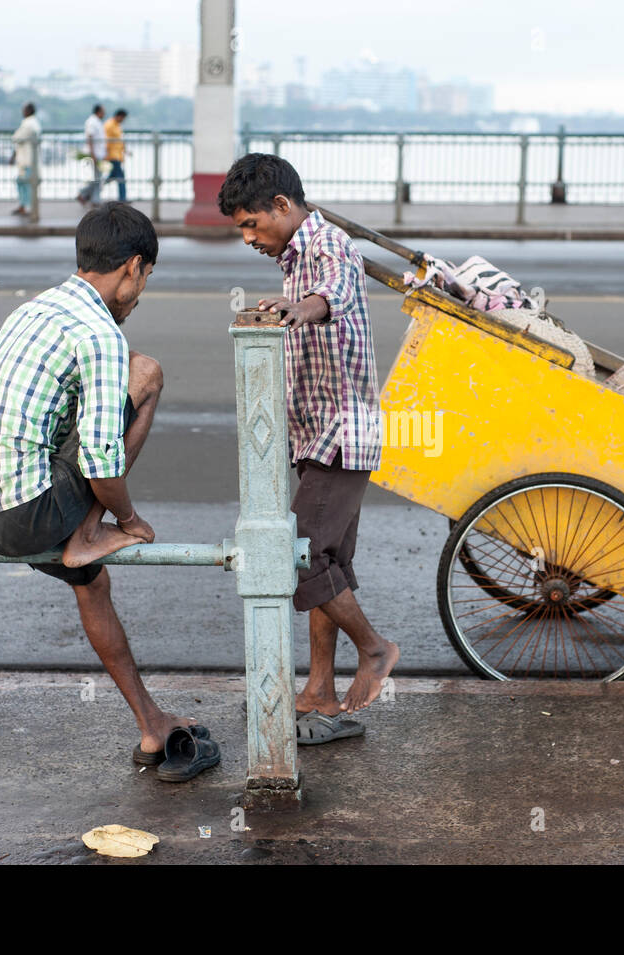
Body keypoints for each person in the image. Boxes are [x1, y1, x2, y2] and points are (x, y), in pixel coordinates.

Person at [0, 202, 218, 782]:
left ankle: (151, 724)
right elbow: (103, 458)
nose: (140, 294)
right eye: (145, 279)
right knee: (147, 371)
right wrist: (127, 520)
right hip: (32, 512)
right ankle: (86, 533)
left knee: (92, 586)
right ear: (133, 267)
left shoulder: (38, 309)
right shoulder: (98, 332)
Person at [218, 154, 399, 745]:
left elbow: (334, 294)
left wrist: (300, 308)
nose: (248, 238)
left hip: (341, 435)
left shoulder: (330, 247)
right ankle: (319, 688)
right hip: (316, 433)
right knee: (328, 564)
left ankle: (373, 649)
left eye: (251, 224)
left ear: (281, 206)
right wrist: (286, 302)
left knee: (299, 557)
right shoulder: (295, 254)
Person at [9, 101, 41, 217]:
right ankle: (24, 206)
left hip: (27, 160)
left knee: (25, 183)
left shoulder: (28, 124)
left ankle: (26, 207)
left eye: (24, 109)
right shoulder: (34, 123)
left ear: (28, 111)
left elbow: (16, 137)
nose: (22, 111)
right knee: (24, 182)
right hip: (28, 159)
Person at [76, 104, 105, 208]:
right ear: (98, 111)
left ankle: (86, 196)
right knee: (96, 178)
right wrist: (93, 154)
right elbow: (90, 138)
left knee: (96, 178)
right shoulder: (92, 122)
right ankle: (93, 199)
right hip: (93, 154)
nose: (104, 114)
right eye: (103, 111)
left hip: (97, 154)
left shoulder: (96, 121)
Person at [103, 108, 127, 203]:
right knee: (120, 177)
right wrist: (105, 154)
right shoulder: (109, 125)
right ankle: (123, 198)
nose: (123, 120)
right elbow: (106, 141)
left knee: (112, 177)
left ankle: (88, 192)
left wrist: (124, 150)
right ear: (119, 116)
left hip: (117, 155)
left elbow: (119, 140)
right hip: (112, 156)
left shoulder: (117, 125)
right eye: (123, 118)